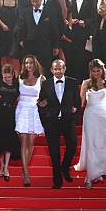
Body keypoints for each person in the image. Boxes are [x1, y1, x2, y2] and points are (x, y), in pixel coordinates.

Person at [75, 59, 106, 188]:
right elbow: (81, 102)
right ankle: (91, 176)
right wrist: (74, 108)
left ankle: (103, 168)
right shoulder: (86, 83)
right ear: (90, 71)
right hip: (90, 115)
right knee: (92, 144)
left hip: (104, 115)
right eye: (94, 71)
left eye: (99, 70)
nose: (96, 73)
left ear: (103, 70)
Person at [37, 60, 80, 189]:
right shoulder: (46, 84)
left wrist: (74, 112)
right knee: (54, 152)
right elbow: (41, 102)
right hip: (52, 122)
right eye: (55, 69)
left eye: (60, 69)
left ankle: (65, 167)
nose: (58, 71)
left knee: (72, 145)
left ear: (64, 69)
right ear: (51, 70)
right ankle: (57, 179)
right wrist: (45, 120)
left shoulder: (72, 82)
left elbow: (77, 102)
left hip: (68, 120)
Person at [15, 55, 44, 186]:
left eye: (31, 63)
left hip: (34, 111)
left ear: (35, 63)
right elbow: (15, 94)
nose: (29, 65)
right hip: (21, 110)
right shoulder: (20, 78)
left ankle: (25, 168)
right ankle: (26, 173)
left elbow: (47, 94)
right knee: (23, 140)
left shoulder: (41, 79)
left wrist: (44, 102)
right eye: (26, 63)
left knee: (32, 141)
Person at [18, 0, 62, 76]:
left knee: (45, 69)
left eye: (36, 1)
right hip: (29, 46)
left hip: (45, 46)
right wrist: (21, 40)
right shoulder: (26, 12)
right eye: (32, 2)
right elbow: (21, 27)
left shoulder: (50, 11)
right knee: (30, 69)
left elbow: (55, 29)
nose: (34, 3)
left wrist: (56, 45)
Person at [0, 63, 20, 181]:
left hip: (11, 115)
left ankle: (6, 167)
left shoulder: (17, 85)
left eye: (8, 77)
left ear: (13, 75)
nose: (6, 79)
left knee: (8, 142)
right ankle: (1, 165)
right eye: (4, 77)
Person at [69, 0, 95, 82]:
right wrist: (71, 20)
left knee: (83, 57)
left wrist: (85, 22)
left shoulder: (91, 0)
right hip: (71, 33)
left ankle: (83, 80)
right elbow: (65, 14)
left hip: (84, 33)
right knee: (71, 56)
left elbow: (93, 17)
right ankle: (72, 79)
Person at [0, 0, 19, 71]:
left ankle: (15, 75)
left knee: (14, 52)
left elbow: (20, 16)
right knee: (3, 52)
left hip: (14, 29)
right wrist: (2, 25)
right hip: (3, 29)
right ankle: (4, 74)